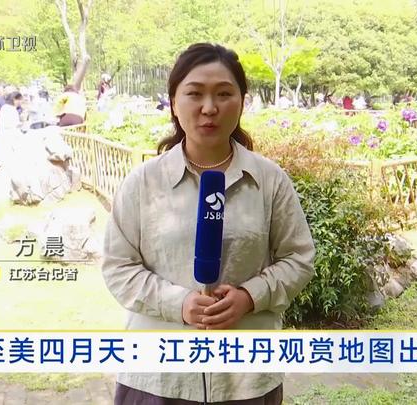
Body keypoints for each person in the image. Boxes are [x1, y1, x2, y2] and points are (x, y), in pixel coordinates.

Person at [101, 43, 315, 404]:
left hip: (245, 377)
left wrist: (250, 297)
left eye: (224, 94)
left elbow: (299, 258)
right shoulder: (143, 182)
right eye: (195, 93)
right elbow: (118, 267)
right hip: (157, 377)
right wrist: (179, 303)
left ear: (242, 102)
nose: (209, 107)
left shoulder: (269, 180)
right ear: (174, 102)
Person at [0, 92, 24, 171]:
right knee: (3, 161)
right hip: (7, 136)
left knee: (6, 160)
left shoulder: (9, 108)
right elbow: (9, 124)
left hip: (10, 136)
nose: (20, 102)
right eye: (20, 100)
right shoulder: (8, 109)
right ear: (14, 99)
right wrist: (20, 124)